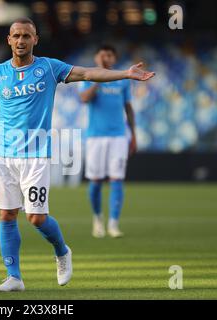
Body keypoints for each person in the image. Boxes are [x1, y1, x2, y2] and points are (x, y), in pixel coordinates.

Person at [0, 18, 154, 292]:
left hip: (36, 154)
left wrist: (125, 74)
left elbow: (87, 74)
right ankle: (13, 277)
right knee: (6, 214)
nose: (21, 40)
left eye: (27, 35)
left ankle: (62, 252)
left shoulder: (49, 68)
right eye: (16, 35)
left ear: (35, 39)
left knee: (36, 218)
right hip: (4, 155)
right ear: (9, 40)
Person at [79, 44, 138, 238]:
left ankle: (113, 223)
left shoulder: (122, 81)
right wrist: (98, 77)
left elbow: (128, 108)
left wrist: (133, 135)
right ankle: (97, 218)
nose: (107, 58)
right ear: (97, 57)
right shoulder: (87, 76)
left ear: (115, 58)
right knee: (95, 181)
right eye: (103, 55)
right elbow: (84, 99)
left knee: (117, 179)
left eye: (110, 55)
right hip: (95, 136)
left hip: (119, 136)